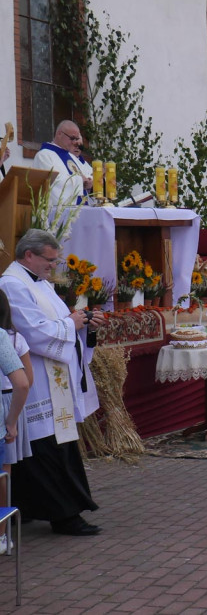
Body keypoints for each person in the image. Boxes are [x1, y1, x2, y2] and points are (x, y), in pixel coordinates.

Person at [0, 229, 102, 535]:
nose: (53, 266)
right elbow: (34, 332)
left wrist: (85, 322)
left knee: (46, 447)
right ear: (29, 255)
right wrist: (72, 322)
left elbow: (58, 322)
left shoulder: (40, 283)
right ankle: (64, 515)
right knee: (44, 449)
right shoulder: (11, 284)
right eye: (49, 260)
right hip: (36, 382)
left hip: (50, 379)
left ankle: (27, 507)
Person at [1, 290, 33, 552]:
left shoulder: (12, 338)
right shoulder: (9, 337)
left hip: (7, 399)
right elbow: (25, 381)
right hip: (7, 402)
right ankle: (2, 534)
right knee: (3, 473)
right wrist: (11, 421)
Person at [32, 120, 93, 209]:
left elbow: (85, 175)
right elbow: (52, 183)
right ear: (59, 134)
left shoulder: (71, 157)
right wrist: (80, 181)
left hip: (79, 209)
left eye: (76, 139)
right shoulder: (44, 155)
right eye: (72, 138)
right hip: (57, 211)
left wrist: (89, 181)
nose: (75, 142)